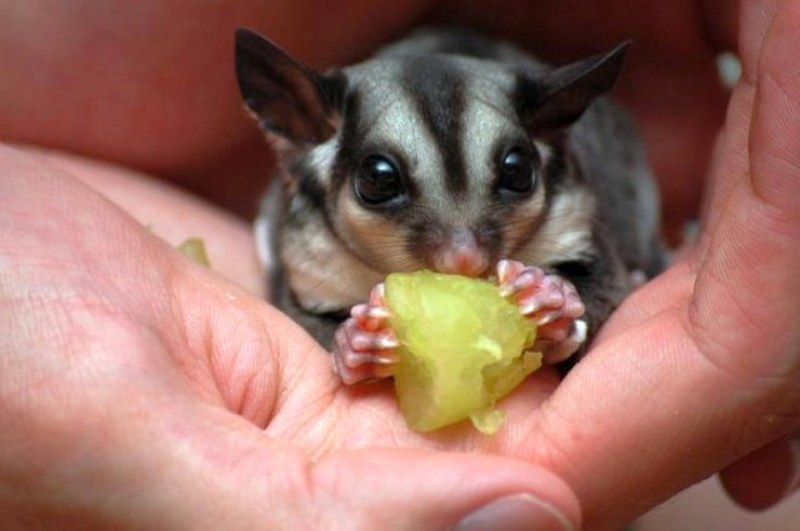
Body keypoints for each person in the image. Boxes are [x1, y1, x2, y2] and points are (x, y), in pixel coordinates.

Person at [1, 1, 798, 528]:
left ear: (548, 140)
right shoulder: (311, 218)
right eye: (385, 186)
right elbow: (307, 306)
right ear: (299, 132)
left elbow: (607, 287)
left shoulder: (567, 189)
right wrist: (343, 344)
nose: (464, 251)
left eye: (510, 178)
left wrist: (568, 314)